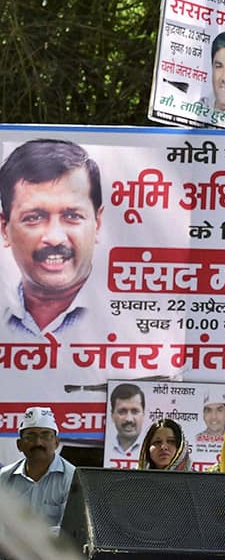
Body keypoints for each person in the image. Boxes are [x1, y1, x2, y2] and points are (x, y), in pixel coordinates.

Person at [1, 138, 103, 337]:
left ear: (97, 224)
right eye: (34, 218)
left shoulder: (121, 315)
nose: (55, 238)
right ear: (5, 229)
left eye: (72, 216)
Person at [0, 407, 76, 527]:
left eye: (45, 436)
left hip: (54, 546)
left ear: (56, 442)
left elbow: (70, 529)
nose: (38, 443)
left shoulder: (73, 478)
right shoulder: (4, 477)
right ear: (19, 445)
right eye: (30, 437)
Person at [108, 383, 145, 460]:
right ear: (112, 415)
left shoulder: (152, 450)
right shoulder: (107, 447)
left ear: (143, 413)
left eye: (135, 411)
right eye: (122, 411)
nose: (129, 419)